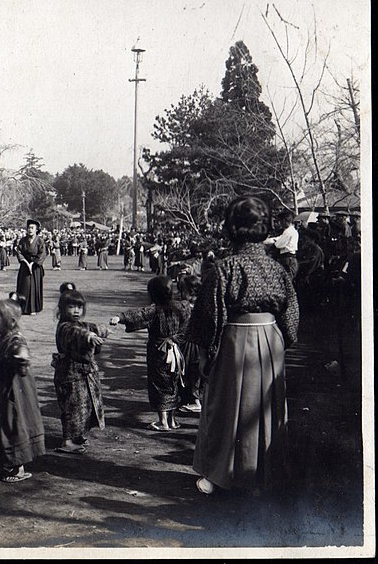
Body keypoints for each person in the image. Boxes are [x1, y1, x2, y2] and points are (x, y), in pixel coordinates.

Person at [187, 196, 299, 495]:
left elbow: (209, 318)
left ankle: (218, 473)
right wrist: (279, 342)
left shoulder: (225, 269)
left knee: (225, 405)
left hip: (235, 339)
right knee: (265, 408)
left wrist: (205, 354)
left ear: (231, 228)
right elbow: (291, 315)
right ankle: (264, 475)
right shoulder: (277, 269)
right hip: (270, 338)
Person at [110, 276, 193, 431]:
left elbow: (138, 314)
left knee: (159, 383)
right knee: (173, 382)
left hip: (158, 350)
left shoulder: (154, 310)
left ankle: (163, 421)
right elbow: (188, 322)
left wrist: (119, 318)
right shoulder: (182, 307)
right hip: (176, 349)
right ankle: (172, 420)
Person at [0, 293, 46, 482]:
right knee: (0, 423)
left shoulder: (16, 339)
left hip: (15, 391)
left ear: (11, 321)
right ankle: (5, 461)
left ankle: (18, 466)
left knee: (13, 423)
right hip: (2, 389)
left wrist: (22, 356)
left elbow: (21, 349)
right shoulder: (1, 339)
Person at [51, 282, 108, 453]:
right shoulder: (65, 327)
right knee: (72, 406)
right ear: (62, 309)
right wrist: (89, 336)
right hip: (70, 374)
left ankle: (78, 434)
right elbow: (78, 333)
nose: (76, 311)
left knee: (85, 405)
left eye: (79, 307)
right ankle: (67, 440)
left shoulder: (79, 324)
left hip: (83, 374)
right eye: (71, 307)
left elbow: (88, 327)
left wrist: (101, 330)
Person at [176, 275, 203, 413]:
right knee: (193, 371)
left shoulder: (185, 305)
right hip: (197, 342)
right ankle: (190, 398)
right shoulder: (202, 303)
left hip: (191, 343)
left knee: (190, 370)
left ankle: (195, 400)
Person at [16, 219, 46, 315]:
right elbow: (19, 251)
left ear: (36, 229)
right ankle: (23, 308)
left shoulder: (40, 241)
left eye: (32, 228)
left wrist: (34, 263)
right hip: (25, 266)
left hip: (35, 267)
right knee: (24, 286)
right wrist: (24, 261)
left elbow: (42, 253)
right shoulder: (23, 240)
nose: (30, 230)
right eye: (29, 228)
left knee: (34, 287)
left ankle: (33, 308)